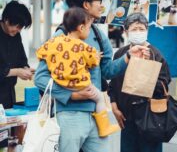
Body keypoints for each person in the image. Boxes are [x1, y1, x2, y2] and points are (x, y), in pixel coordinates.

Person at [34, 0, 149, 152]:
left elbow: (107, 71)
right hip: (69, 115)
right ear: (86, 4)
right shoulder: (62, 36)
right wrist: (71, 96)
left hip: (97, 115)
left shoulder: (98, 34)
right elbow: (40, 78)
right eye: (99, 0)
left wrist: (128, 57)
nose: (102, 4)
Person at [36, 7, 120, 137]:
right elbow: (93, 62)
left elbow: (41, 52)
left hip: (63, 83)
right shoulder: (84, 47)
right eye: (88, 28)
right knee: (99, 98)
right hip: (82, 85)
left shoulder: (54, 42)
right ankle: (104, 126)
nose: (89, 31)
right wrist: (96, 56)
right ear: (81, 28)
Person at [108, 12, 171, 152]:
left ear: (147, 31)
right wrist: (114, 107)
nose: (138, 32)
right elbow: (113, 84)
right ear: (126, 31)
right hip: (126, 117)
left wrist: (147, 65)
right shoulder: (121, 54)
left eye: (142, 29)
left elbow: (163, 85)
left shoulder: (155, 54)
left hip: (150, 118)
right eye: (134, 29)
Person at [0, 1, 34, 109]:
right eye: (17, 26)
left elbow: (21, 58)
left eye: (21, 27)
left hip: (9, 93)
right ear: (6, 20)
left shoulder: (16, 36)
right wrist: (17, 72)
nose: (18, 30)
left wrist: (25, 68)